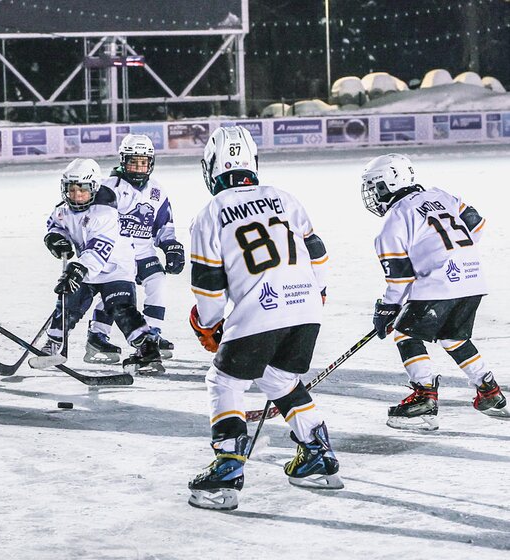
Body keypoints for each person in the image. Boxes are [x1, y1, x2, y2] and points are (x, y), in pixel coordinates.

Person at [187, 126, 341, 511]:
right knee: (279, 378)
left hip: (261, 309)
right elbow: (318, 255)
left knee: (223, 380)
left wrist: (208, 325)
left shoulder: (210, 213)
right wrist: (313, 294)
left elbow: (207, 286)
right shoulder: (284, 199)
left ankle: (227, 468)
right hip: (306, 307)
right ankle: (316, 454)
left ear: (211, 168)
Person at [362, 153, 507, 431]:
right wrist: (452, 252)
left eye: (374, 186)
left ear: (387, 184)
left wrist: (386, 309)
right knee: (453, 336)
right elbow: (477, 224)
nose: (373, 194)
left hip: (441, 282)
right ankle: (488, 390)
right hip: (473, 277)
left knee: (404, 332)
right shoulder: (441, 195)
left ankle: (424, 397)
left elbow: (400, 279)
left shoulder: (394, 219)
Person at [34, 158, 164, 375]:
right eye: (71, 189)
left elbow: (98, 251)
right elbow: (56, 225)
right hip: (85, 267)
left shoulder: (104, 213)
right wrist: (56, 238)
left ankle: (148, 351)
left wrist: (76, 270)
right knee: (68, 304)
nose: (76, 196)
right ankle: (54, 343)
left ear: (93, 188)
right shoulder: (63, 209)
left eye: (82, 190)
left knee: (122, 309)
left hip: (115, 268)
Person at [84, 134, 185, 365]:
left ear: (151, 162)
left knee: (157, 280)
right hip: (116, 252)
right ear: (122, 160)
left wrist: (171, 246)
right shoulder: (108, 188)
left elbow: (163, 225)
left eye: (143, 162)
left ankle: (152, 334)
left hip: (142, 252)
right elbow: (94, 220)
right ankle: (98, 334)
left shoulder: (157, 191)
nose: (139, 167)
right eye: (133, 161)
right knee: (117, 293)